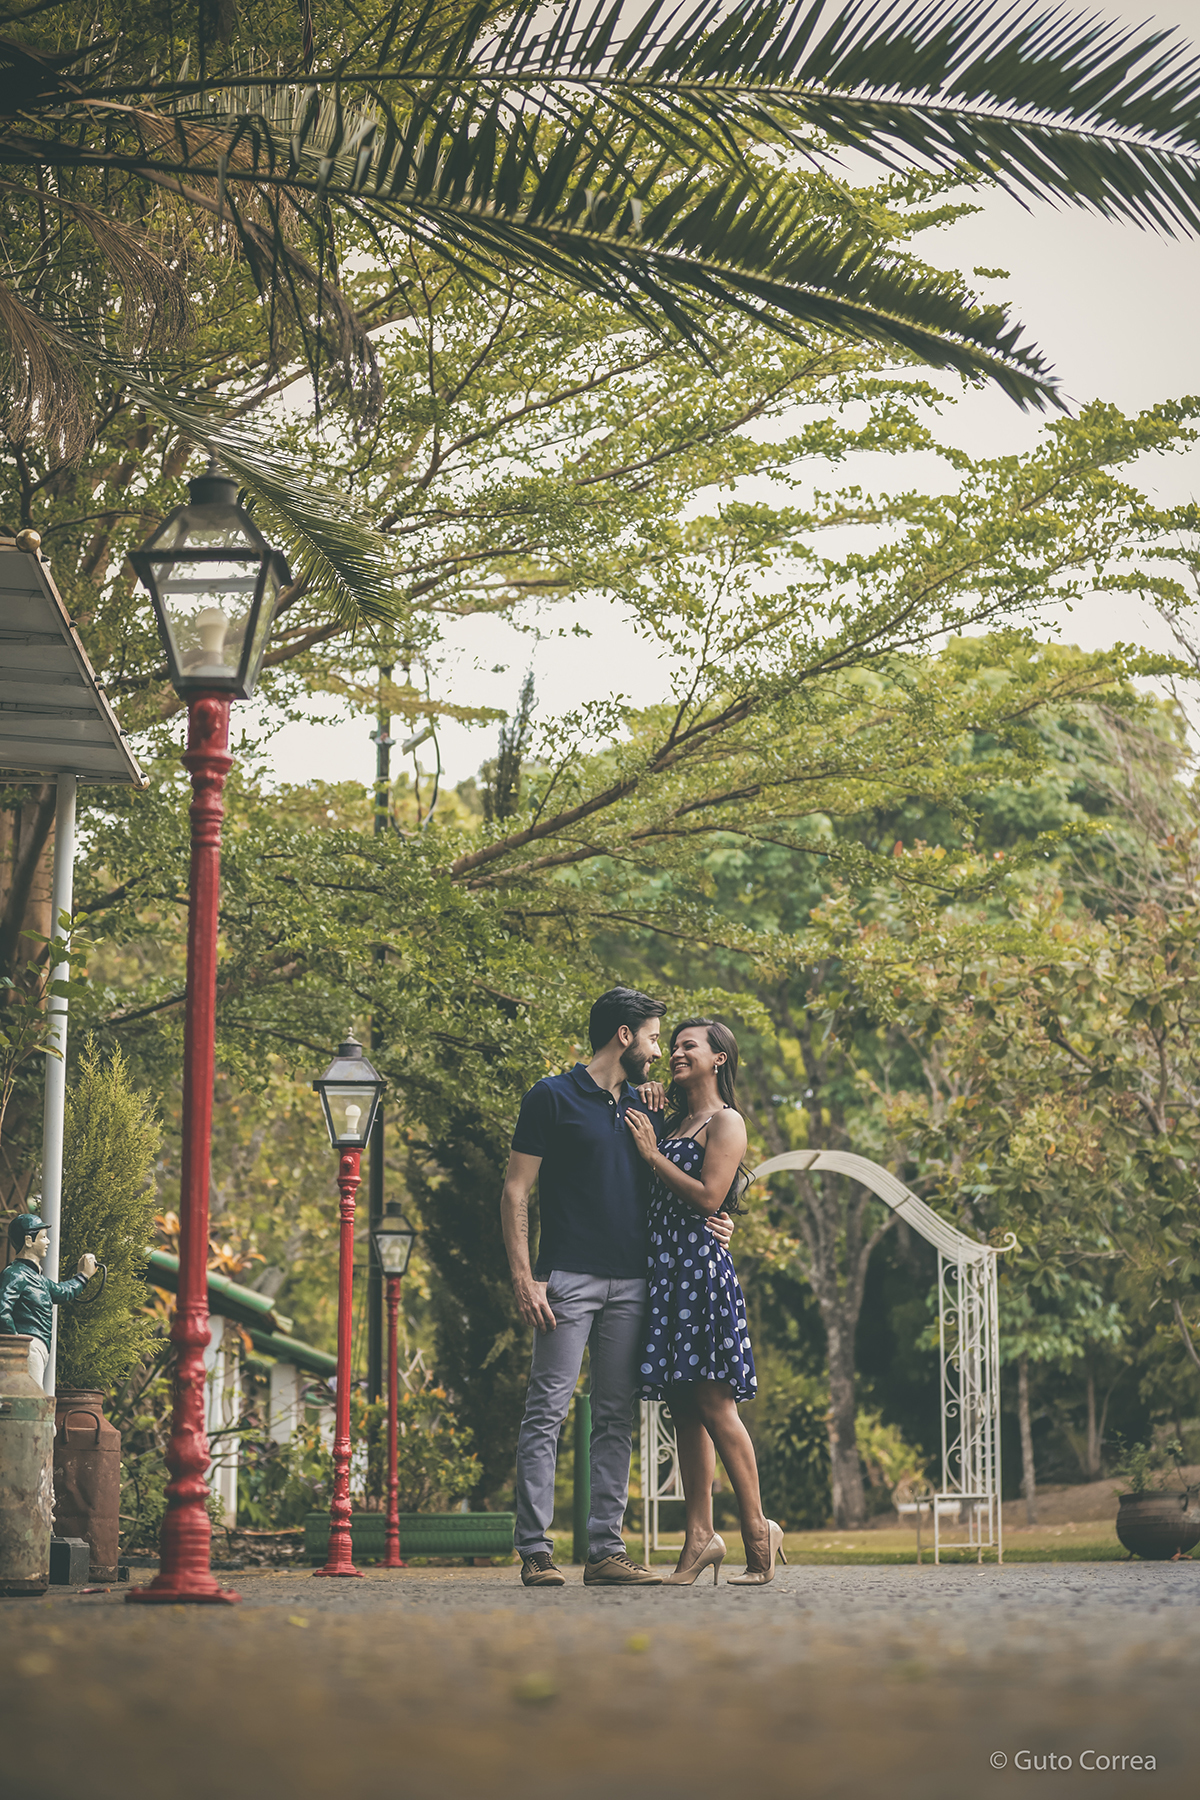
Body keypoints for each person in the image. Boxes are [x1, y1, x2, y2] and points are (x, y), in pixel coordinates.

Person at [502, 986, 735, 1587]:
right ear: (624, 1036)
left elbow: (696, 1170)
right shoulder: (551, 1096)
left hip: (636, 1282)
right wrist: (525, 1277)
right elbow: (516, 1191)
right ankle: (536, 1550)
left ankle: (605, 1550)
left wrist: (720, 1221)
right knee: (546, 1412)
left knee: (614, 1417)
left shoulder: (649, 1107)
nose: (659, 1052)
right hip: (566, 1278)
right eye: (654, 1038)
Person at [626, 1018, 785, 1587]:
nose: (675, 1052)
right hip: (666, 1272)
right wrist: (647, 1098)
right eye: (672, 1045)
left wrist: (652, 1156)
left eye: (688, 1045)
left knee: (716, 1405)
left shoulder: (726, 1121)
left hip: (699, 1272)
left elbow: (710, 1196)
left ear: (719, 1058)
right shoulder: (673, 1120)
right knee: (683, 1408)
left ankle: (758, 1534)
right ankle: (699, 1536)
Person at [0, 1208, 97, 1387]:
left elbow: (61, 1292)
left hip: (35, 1348)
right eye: (43, 1237)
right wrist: (16, 1345)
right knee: (29, 1397)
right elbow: (2, 1311)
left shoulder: (36, 1278)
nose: (48, 1241)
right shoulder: (15, 1274)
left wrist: (83, 1276)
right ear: (28, 1241)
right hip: (26, 1346)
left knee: (31, 1395)